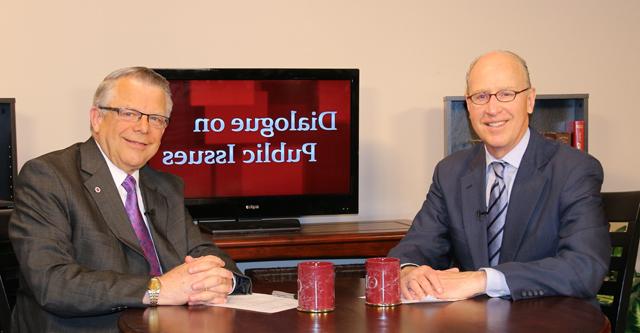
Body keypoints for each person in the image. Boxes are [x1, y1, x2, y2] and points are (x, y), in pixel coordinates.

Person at [9, 67, 251, 332]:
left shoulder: (165, 186)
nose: (143, 127)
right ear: (97, 118)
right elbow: (53, 283)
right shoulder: (49, 177)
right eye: (129, 113)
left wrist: (223, 280)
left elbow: (204, 253)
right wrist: (157, 290)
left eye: (157, 119)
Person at [388, 50, 610, 302]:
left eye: (506, 94)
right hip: (475, 322)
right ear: (469, 105)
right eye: (481, 96)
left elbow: (584, 267)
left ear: (530, 100)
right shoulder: (450, 172)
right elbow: (416, 246)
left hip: (553, 320)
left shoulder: (574, 170)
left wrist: (482, 279)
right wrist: (409, 271)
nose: (492, 109)